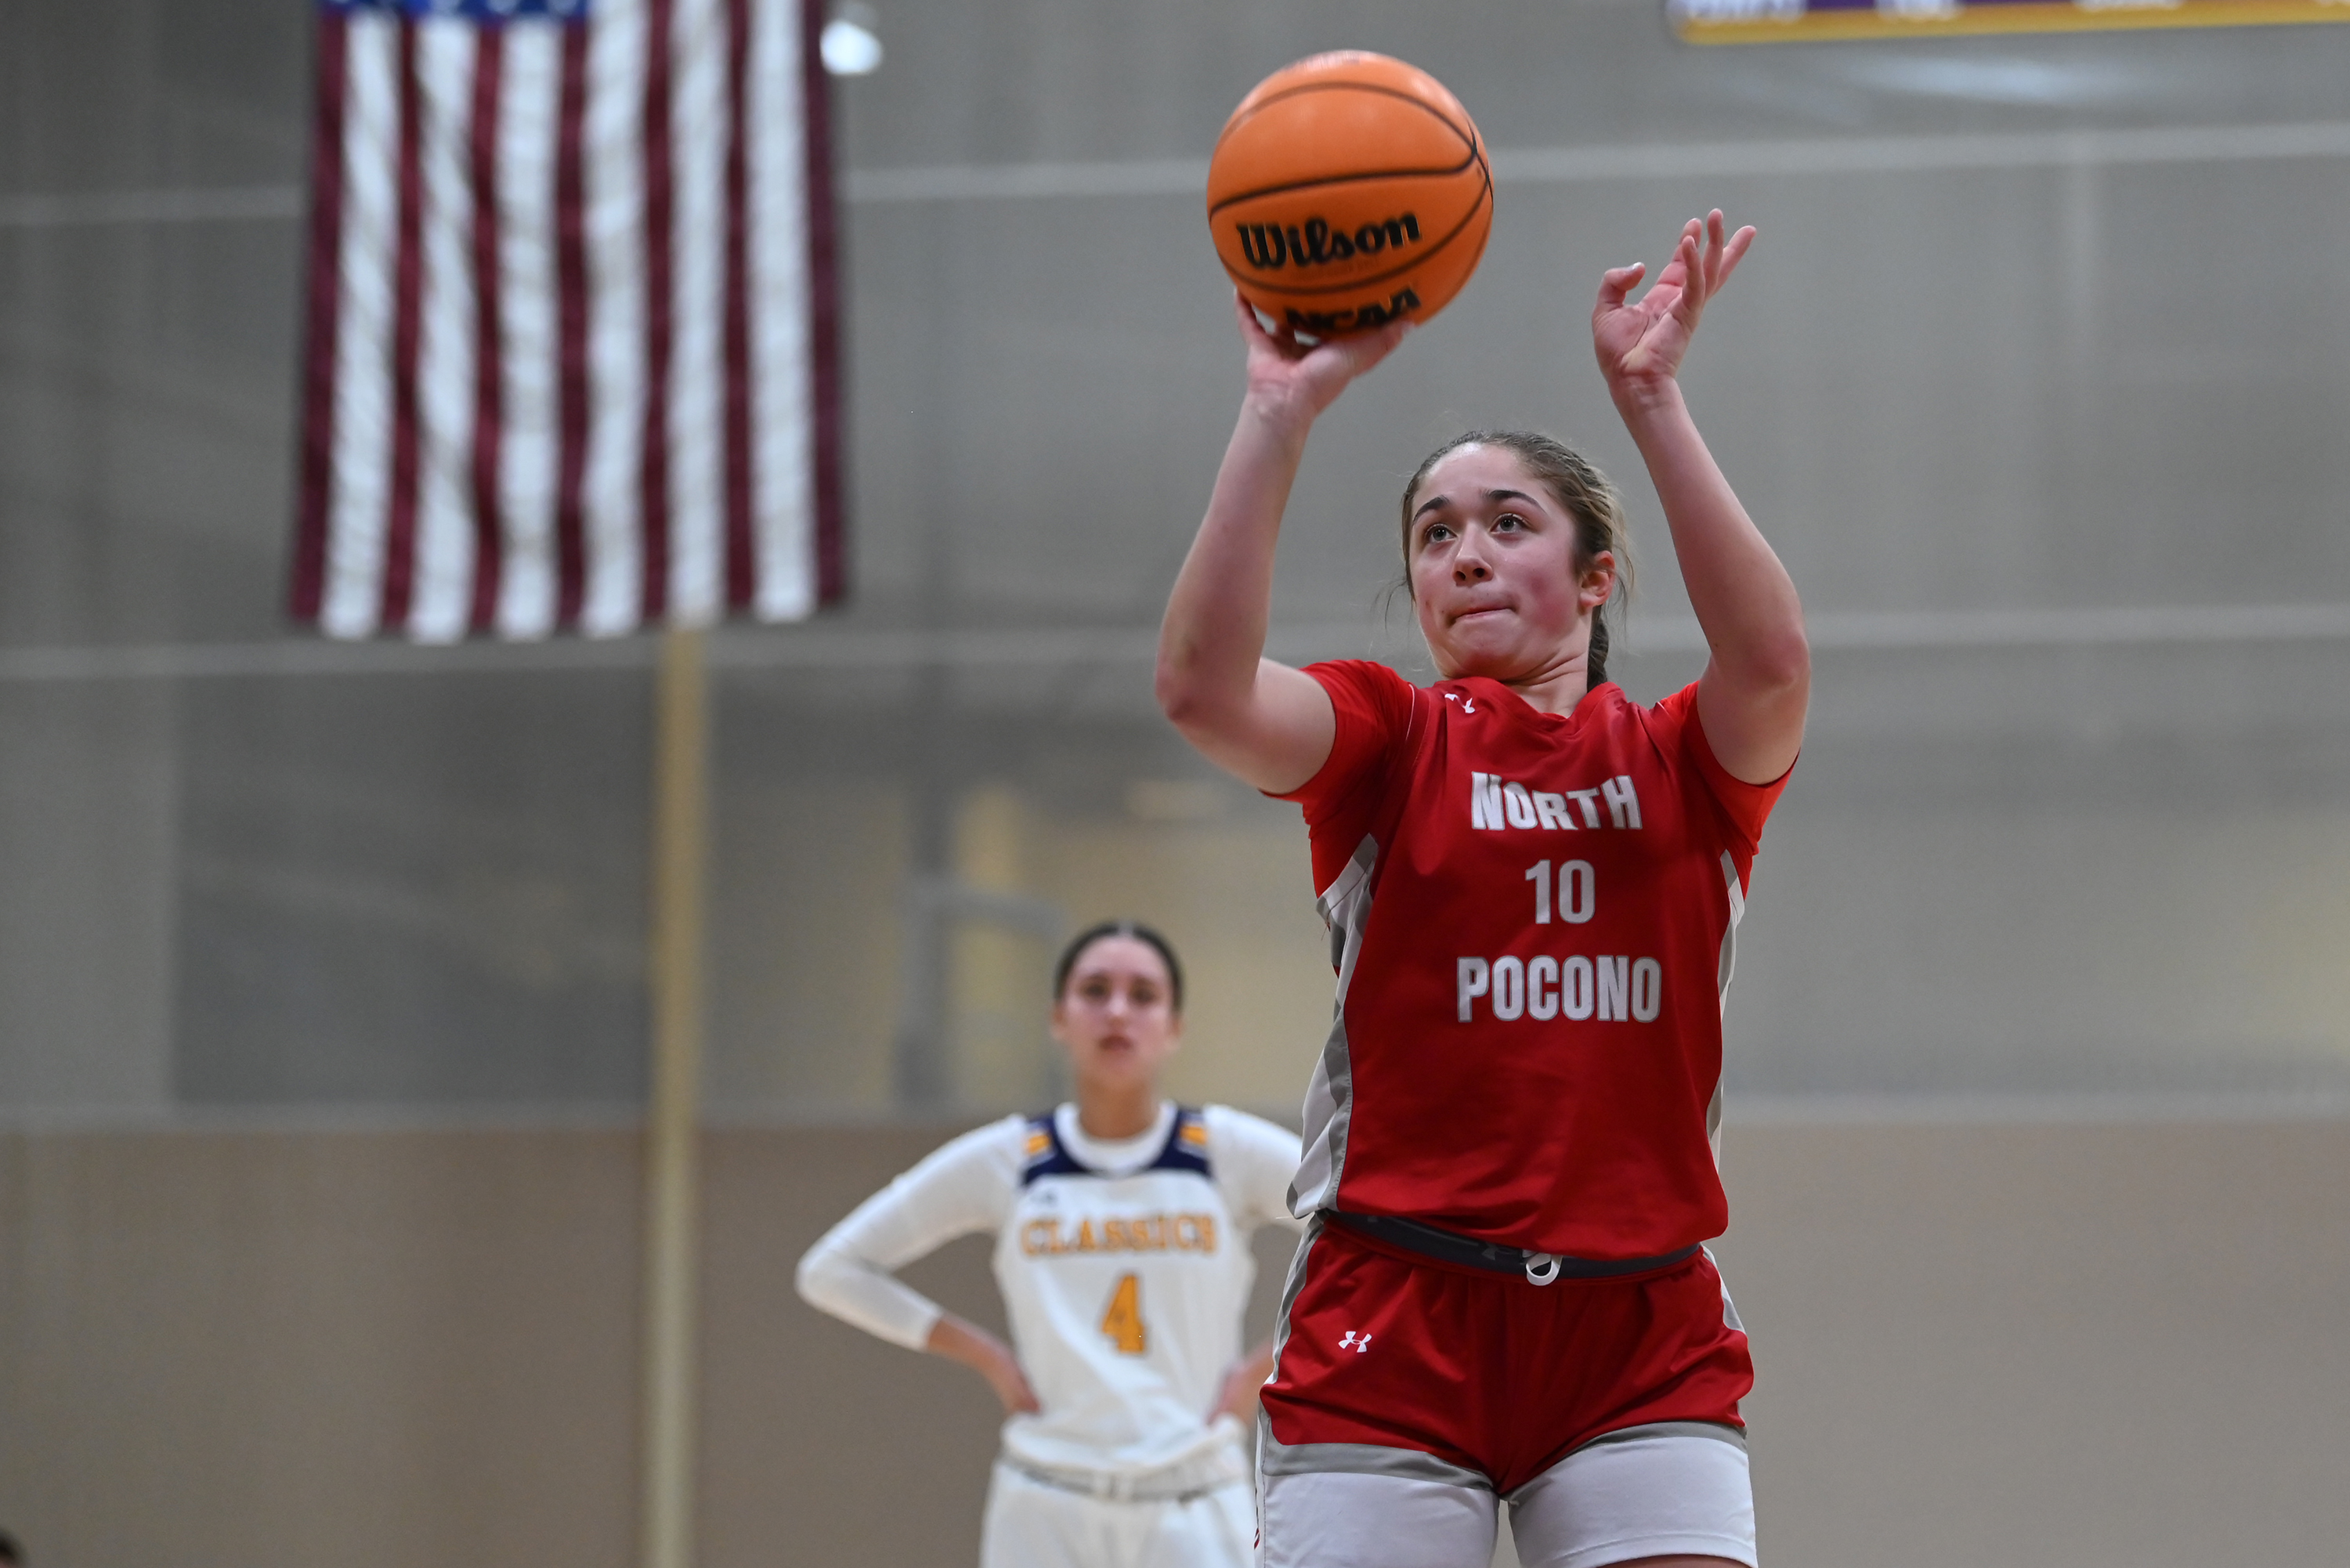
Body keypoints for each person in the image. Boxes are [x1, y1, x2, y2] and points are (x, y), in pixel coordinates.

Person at [1154, 211, 1808, 1568]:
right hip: (1395, 1309)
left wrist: (1652, 398)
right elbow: (1203, 690)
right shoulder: (1389, 739)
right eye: (1436, 532)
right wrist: (1277, 412)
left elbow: (1774, 663)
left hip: (1635, 1328)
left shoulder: (1682, 761)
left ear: (1594, 578)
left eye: (1510, 524)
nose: (1465, 551)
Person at [796, 919, 1303, 1568]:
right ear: (1058, 1018)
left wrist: (1264, 1368)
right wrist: (984, 1355)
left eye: (1143, 995)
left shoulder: (1224, 1151)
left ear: (1174, 1027)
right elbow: (831, 1270)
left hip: (1196, 1496)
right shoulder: (1010, 1158)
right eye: (1094, 990)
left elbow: (1362, 1231)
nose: (1117, 1011)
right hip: (1044, 1503)